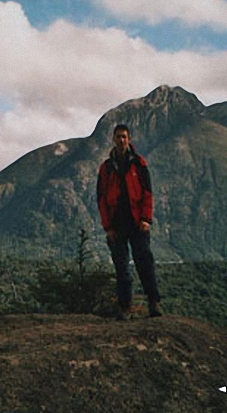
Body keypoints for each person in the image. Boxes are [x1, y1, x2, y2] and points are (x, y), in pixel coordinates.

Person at [96, 124, 162, 320]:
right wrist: (107, 227)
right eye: (118, 137)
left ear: (129, 139)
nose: (121, 140)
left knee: (145, 264)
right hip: (117, 225)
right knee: (121, 267)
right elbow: (101, 199)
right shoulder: (106, 168)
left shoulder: (139, 164)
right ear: (113, 139)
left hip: (137, 223)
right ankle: (125, 307)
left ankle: (154, 302)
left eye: (124, 136)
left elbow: (148, 193)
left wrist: (145, 219)